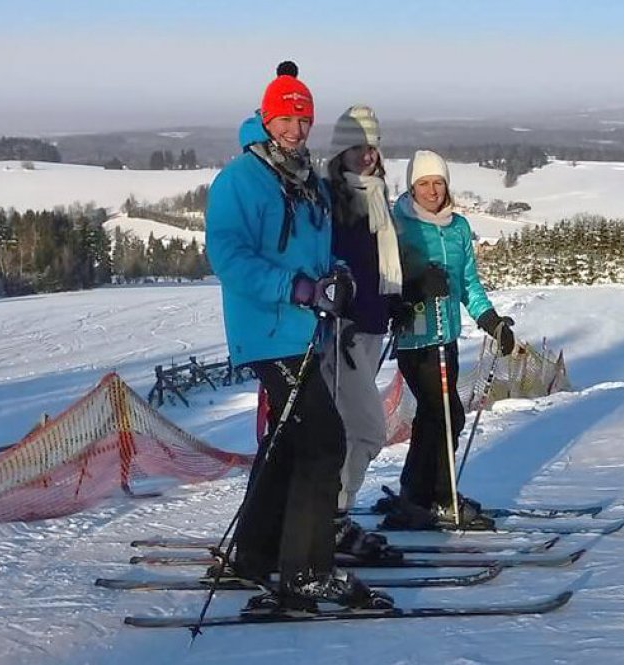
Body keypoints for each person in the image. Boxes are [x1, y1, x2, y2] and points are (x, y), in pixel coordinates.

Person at [205, 61, 391, 611]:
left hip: (304, 330)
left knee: (286, 446)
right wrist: (298, 288)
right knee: (323, 441)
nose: (295, 128)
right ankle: (307, 571)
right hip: (268, 329)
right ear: (267, 118)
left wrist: (338, 274)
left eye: (303, 119)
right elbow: (228, 256)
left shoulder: (305, 178)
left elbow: (319, 250)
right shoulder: (241, 179)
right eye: (285, 117)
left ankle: (254, 555)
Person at [380, 149, 517, 531]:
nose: (432, 190)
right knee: (445, 415)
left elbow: (468, 283)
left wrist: (491, 321)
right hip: (415, 338)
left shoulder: (458, 228)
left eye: (438, 182)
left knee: (433, 417)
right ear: (411, 186)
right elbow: (385, 281)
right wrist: (416, 284)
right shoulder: (399, 226)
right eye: (423, 183)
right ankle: (441, 496)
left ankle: (414, 492)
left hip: (447, 338)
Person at [319, 105, 405, 559]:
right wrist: (343, 316)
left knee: (353, 431)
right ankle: (330, 520)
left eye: (371, 148)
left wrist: (396, 300)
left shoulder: (374, 196)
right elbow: (331, 267)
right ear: (339, 152)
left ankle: (333, 516)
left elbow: (376, 266)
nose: (366, 156)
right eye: (356, 148)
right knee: (366, 431)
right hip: (344, 334)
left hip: (371, 329)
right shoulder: (332, 200)